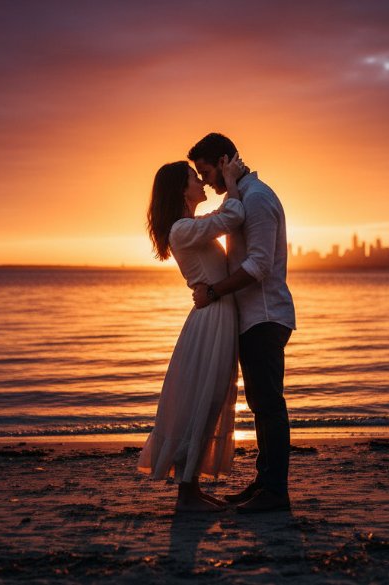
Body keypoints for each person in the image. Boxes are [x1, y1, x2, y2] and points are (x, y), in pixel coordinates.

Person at [189, 133, 296, 514]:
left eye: (206, 172)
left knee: (268, 405)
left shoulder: (258, 198)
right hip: (252, 318)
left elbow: (259, 265)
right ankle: (265, 483)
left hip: (265, 315)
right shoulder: (241, 196)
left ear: (223, 161)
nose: (205, 182)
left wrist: (214, 291)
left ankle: (275, 492)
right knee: (260, 403)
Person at [137, 154, 248, 513]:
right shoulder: (182, 230)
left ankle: (192, 487)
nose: (201, 182)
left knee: (210, 399)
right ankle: (187, 492)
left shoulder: (190, 225)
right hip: (211, 318)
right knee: (205, 398)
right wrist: (232, 180)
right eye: (193, 177)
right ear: (181, 190)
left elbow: (222, 216)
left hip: (215, 314)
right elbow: (232, 217)